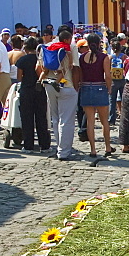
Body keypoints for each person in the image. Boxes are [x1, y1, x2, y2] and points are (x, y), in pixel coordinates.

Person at [40, 27, 80, 161]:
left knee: (55, 118)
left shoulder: (46, 47)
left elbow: (39, 67)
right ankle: (64, 152)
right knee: (66, 120)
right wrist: (75, 87)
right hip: (66, 86)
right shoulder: (70, 47)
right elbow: (75, 67)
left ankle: (58, 147)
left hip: (49, 84)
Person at [78, 32, 113, 157]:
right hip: (100, 87)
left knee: (90, 122)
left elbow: (80, 74)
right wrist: (109, 88)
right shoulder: (104, 57)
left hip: (86, 87)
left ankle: (93, 149)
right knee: (104, 121)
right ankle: (107, 147)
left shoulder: (82, 57)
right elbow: (107, 76)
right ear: (99, 44)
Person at [16, 37, 50, 152]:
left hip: (26, 90)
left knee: (27, 119)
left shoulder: (22, 60)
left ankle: (28, 145)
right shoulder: (40, 60)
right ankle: (45, 145)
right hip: (40, 90)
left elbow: (19, 77)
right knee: (41, 118)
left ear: (25, 47)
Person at [108, 38, 126, 125]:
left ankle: (112, 119)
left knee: (112, 100)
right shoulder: (124, 56)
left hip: (113, 80)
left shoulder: (110, 57)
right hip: (122, 79)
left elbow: (107, 70)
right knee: (124, 100)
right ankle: (124, 117)